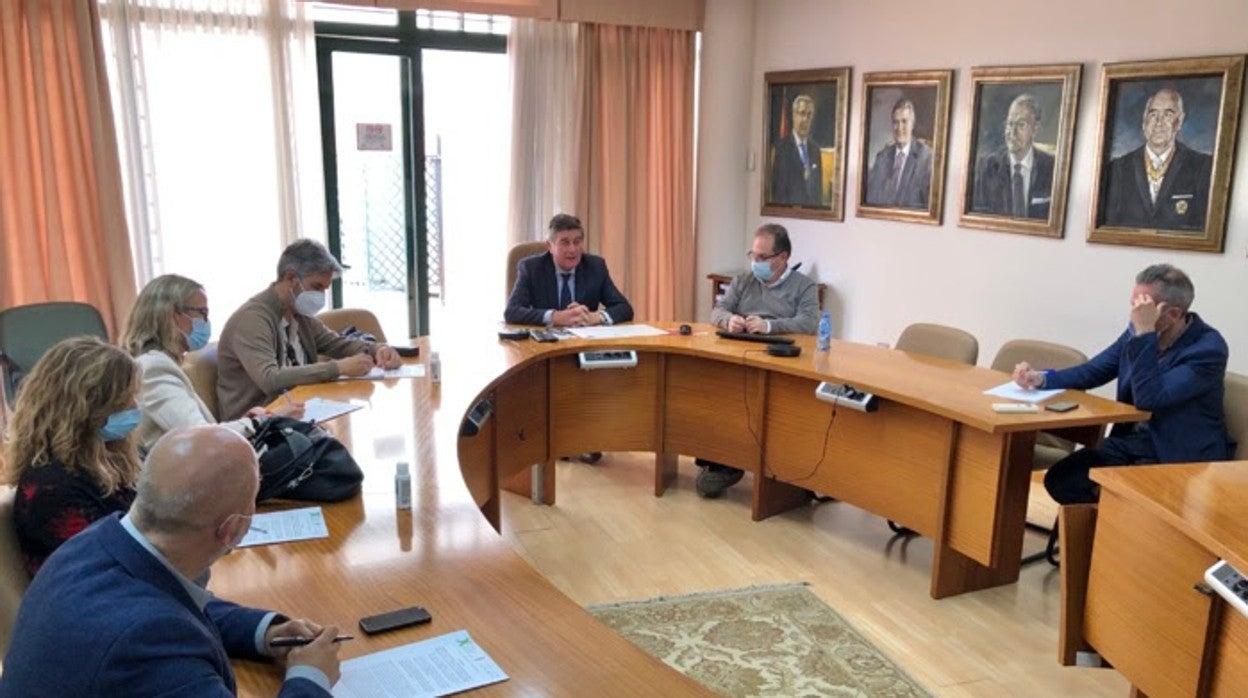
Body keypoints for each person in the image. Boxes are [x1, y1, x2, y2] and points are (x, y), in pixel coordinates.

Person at [0, 426, 341, 696]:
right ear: (233, 529)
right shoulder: (147, 644)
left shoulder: (93, 543)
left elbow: (175, 604)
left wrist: (266, 632)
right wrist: (310, 677)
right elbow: (158, 626)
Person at [1013, 264, 1233, 504]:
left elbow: (1150, 399)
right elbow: (1094, 371)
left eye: (1143, 307)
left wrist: (1145, 333)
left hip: (1176, 454)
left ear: (1172, 314)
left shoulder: (1207, 350)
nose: (1135, 313)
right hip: (1131, 443)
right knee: (1062, 479)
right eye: (1134, 305)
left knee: (1127, 501)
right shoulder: (1137, 332)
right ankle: (1091, 538)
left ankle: (1112, 536)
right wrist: (1041, 379)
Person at [217, 239, 402, 420]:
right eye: (316, 287)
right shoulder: (252, 319)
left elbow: (338, 344)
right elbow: (270, 379)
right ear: (290, 278)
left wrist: (378, 349)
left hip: (299, 414)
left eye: (325, 289)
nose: (320, 296)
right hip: (256, 430)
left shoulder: (299, 315)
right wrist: (337, 368)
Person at [2, 336, 141, 577]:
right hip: (100, 604)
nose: (134, 407)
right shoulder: (52, 489)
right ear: (87, 408)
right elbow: (109, 570)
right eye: (124, 400)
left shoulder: (110, 460)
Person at [700, 224, 820, 498]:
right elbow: (717, 309)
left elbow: (810, 322)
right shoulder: (744, 280)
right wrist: (728, 319)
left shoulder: (804, 287)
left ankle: (775, 471)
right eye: (752, 255)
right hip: (739, 353)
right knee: (715, 393)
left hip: (780, 359)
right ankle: (723, 461)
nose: (756, 262)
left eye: (762, 257)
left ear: (783, 257)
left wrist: (769, 326)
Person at [123, 273, 305, 453]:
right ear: (172, 315)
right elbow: (202, 436)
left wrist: (246, 420)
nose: (206, 321)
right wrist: (265, 420)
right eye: (202, 313)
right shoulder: (153, 368)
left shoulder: (159, 363)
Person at [1101, 87, 1212, 231]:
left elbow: (1203, 228)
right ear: (1144, 122)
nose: (1158, 122)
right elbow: (1109, 225)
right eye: (1153, 114)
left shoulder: (1202, 166)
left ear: (1179, 122)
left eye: (1168, 115)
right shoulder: (1118, 168)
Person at [504, 213, 634, 327]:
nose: (572, 249)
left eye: (577, 242)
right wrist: (556, 317)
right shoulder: (531, 268)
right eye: (565, 243)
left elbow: (624, 308)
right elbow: (512, 312)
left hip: (583, 344)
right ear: (550, 246)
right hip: (546, 346)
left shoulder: (595, 267)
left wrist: (595, 317)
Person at [971, 94, 1055, 219]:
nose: (1012, 133)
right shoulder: (987, 167)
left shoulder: (1051, 167)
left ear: (1035, 129)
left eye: (1021, 125)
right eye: (1010, 124)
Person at [864, 98, 933, 208]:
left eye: (904, 121)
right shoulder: (882, 157)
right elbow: (871, 198)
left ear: (913, 124)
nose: (899, 128)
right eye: (896, 122)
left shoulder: (926, 157)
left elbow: (929, 206)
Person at [770, 94, 824, 206]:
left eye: (809, 115)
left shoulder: (815, 149)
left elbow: (818, 192)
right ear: (794, 115)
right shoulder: (781, 148)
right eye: (802, 113)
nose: (805, 119)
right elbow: (779, 193)